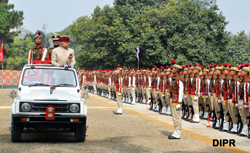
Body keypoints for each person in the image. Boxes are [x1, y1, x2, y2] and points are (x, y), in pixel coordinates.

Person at [168, 59, 184, 139]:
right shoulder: (174, 78)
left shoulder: (179, 79)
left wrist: (179, 102)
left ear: (177, 70)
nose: (172, 69)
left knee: (176, 116)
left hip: (176, 100)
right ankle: (176, 131)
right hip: (173, 99)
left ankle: (177, 132)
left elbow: (181, 91)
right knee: (174, 116)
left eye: (174, 68)